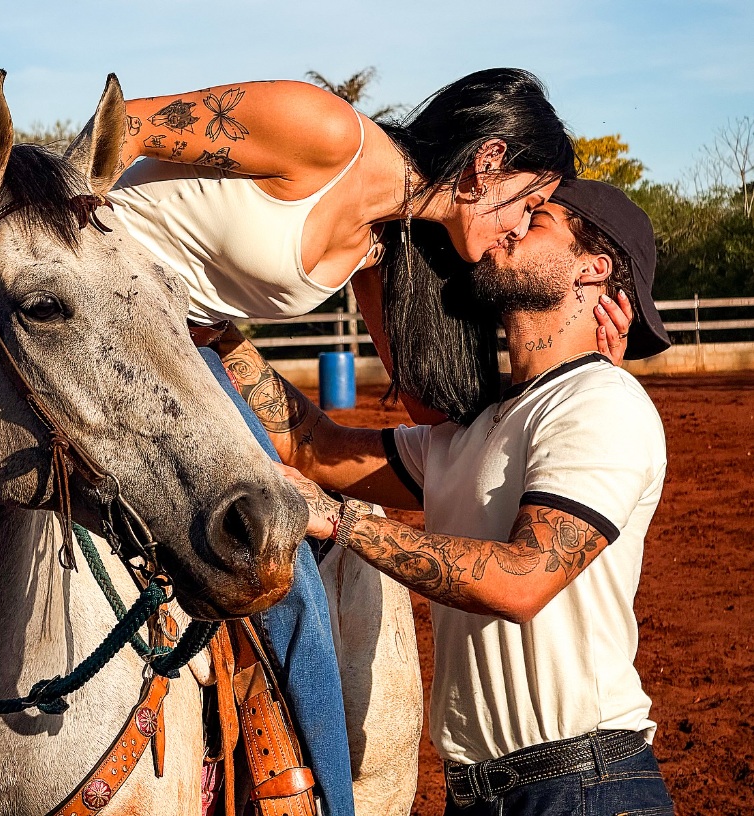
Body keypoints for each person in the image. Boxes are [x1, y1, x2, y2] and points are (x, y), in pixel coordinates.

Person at [0, 70, 632, 815]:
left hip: (184, 352)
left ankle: (312, 798)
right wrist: (66, 249)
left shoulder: (380, 245)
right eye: (530, 203)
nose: (519, 227)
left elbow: (434, 415)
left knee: (284, 580)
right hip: (81, 315)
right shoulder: (328, 132)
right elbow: (124, 128)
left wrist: (584, 375)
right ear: (488, 161)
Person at [214, 178, 675, 816]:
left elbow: (522, 581)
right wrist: (212, 331)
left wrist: (342, 523)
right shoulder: (475, 427)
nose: (511, 224)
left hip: (582, 787)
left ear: (591, 269)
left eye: (537, 218)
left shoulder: (600, 402)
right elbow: (316, 447)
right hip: (485, 792)